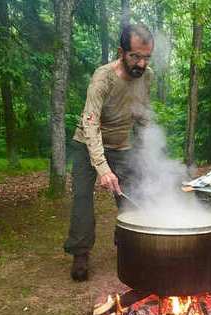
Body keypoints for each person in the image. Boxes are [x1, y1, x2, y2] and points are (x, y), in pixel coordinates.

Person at [64, 23, 154, 281]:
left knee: (130, 199)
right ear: (121, 51)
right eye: (135, 56)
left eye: (146, 57)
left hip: (121, 145)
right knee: (82, 200)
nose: (141, 64)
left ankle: (130, 244)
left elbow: (143, 114)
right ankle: (80, 252)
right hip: (86, 144)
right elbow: (90, 122)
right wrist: (102, 168)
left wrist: (150, 154)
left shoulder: (147, 76)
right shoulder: (102, 77)